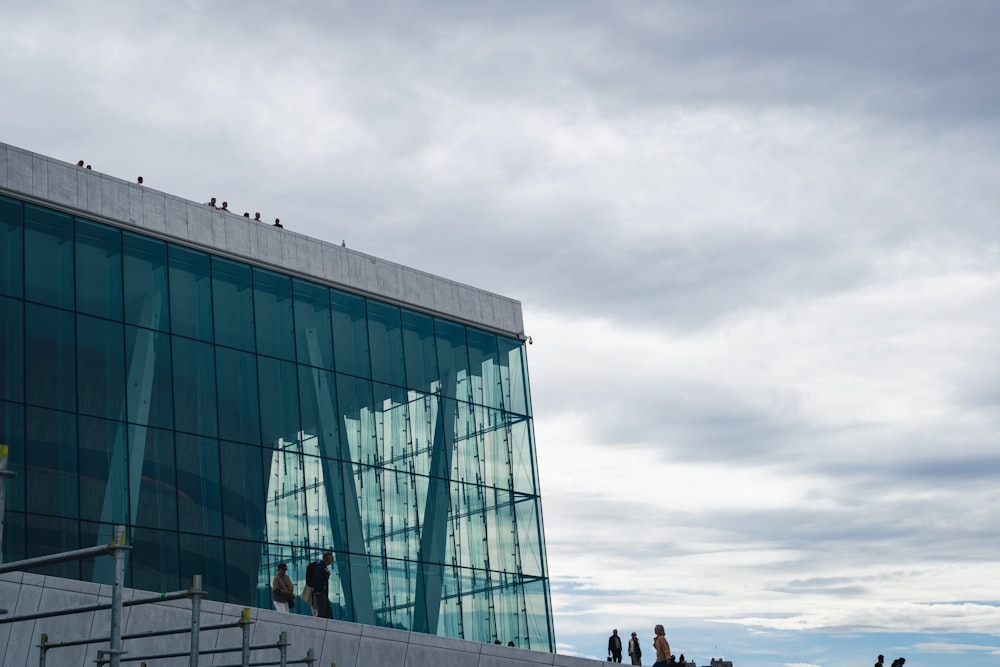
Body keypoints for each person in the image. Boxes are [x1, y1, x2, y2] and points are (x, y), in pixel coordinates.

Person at [311, 551, 334, 618]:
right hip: (320, 592)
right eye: (332, 559)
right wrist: (327, 574)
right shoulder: (320, 566)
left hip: (322, 592)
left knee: (328, 613)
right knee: (323, 613)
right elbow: (317, 578)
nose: (332, 560)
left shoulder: (323, 567)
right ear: (328, 559)